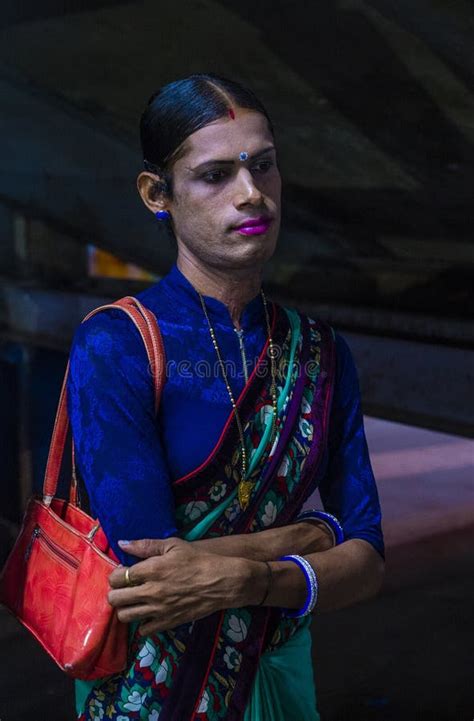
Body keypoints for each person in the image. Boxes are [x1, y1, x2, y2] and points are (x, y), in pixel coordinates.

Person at [67, 73, 385, 721]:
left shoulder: (320, 351)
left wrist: (251, 578)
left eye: (263, 166)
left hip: (280, 676)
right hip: (152, 690)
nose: (251, 195)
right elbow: (147, 578)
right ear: (158, 194)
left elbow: (372, 558)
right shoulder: (119, 343)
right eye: (215, 176)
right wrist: (314, 533)